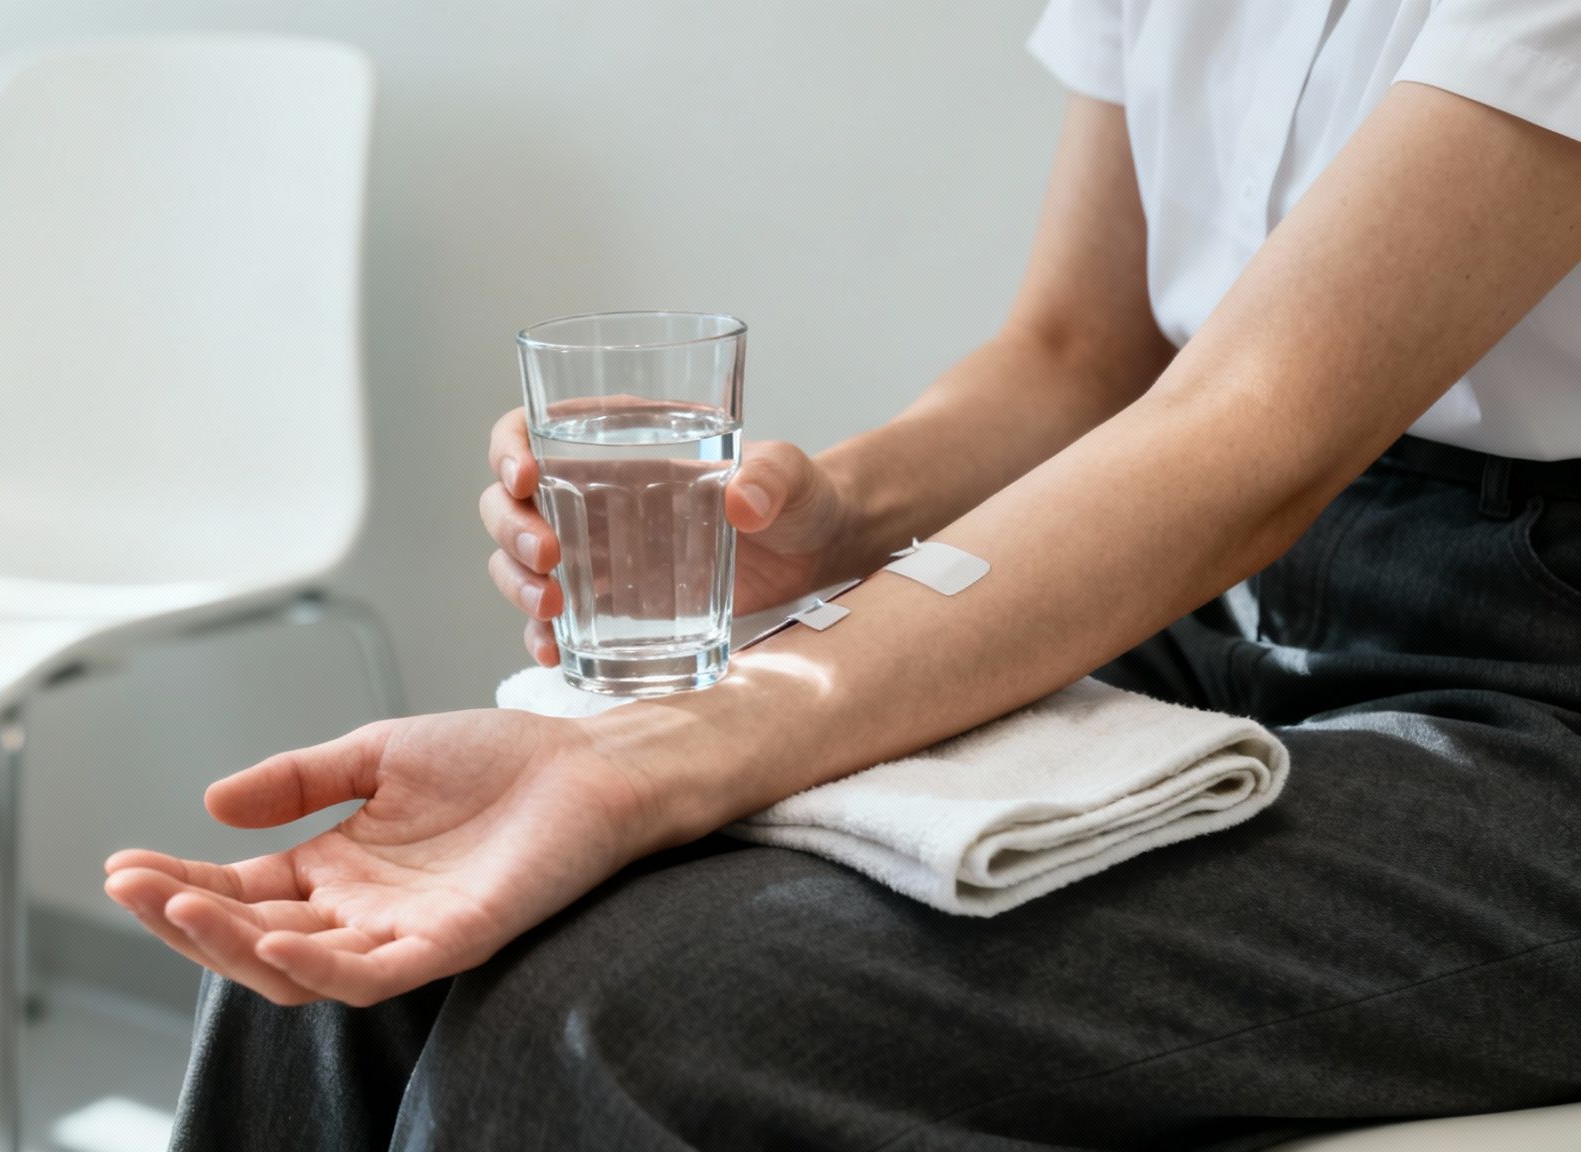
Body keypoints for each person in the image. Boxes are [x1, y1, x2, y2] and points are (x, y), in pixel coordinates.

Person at [104, 2, 1581, 1148]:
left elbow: (1258, 427)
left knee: (626, 1026)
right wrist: (829, 516)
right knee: (352, 966)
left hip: (1534, 682)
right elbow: (1080, 355)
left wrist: (660, 755)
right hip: (1229, 581)